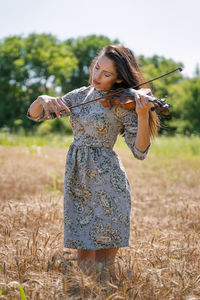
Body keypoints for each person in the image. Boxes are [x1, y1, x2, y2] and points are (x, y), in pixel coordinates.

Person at [27, 44, 159, 278]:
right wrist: (42, 98)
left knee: (104, 268)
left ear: (119, 79)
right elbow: (35, 115)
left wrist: (141, 114)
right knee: (84, 264)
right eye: (97, 67)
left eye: (106, 74)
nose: (96, 76)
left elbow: (140, 152)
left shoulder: (125, 103)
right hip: (78, 178)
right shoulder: (80, 96)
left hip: (108, 182)